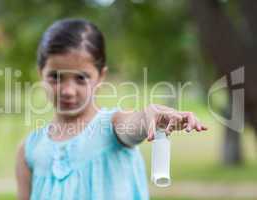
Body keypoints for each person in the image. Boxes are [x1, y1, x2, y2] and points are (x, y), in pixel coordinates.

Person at [15, 18, 207, 200]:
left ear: (100, 76)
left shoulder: (112, 126)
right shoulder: (29, 150)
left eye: (81, 78)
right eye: (55, 77)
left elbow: (133, 125)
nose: (68, 90)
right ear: (41, 73)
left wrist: (151, 115)